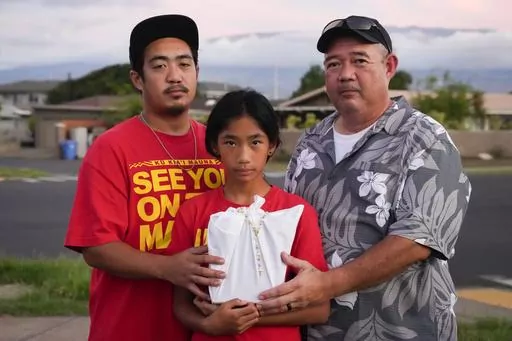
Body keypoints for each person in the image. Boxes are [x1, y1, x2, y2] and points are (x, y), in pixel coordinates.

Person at [257, 16, 472, 341]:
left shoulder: (424, 139)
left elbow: (415, 241)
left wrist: (326, 285)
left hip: (402, 331)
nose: (345, 74)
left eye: (359, 60)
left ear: (389, 66)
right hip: (317, 331)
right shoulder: (310, 142)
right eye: (333, 64)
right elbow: (287, 224)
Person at [64, 14, 227, 341]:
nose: (174, 76)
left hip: (211, 330)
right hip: (131, 328)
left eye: (184, 64)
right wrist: (168, 268)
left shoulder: (221, 146)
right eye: (159, 66)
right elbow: (96, 247)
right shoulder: (111, 148)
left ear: (197, 72)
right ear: (137, 79)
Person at [170, 89, 330, 341]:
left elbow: (319, 310)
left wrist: (243, 317)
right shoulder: (192, 212)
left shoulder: (296, 213)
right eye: (231, 142)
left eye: (255, 142)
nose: (243, 157)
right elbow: (181, 305)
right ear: (215, 145)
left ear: (272, 145)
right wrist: (211, 326)